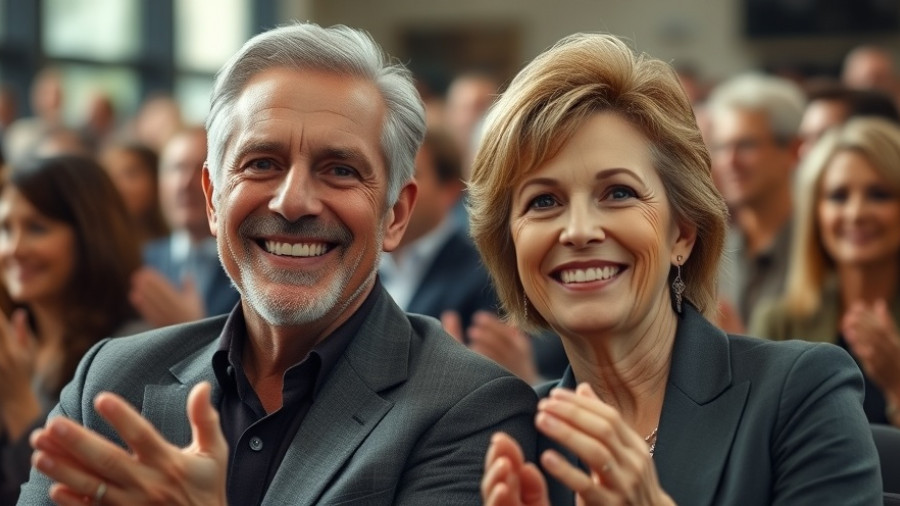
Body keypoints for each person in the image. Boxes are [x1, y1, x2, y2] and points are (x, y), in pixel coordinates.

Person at [19, 22, 536, 506]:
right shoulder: (110, 382)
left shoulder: (471, 409)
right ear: (213, 199)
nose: (293, 202)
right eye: (262, 163)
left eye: (339, 169)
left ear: (395, 214)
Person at [469, 33, 881, 505]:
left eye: (618, 192)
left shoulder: (802, 391)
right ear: (510, 248)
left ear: (682, 234)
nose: (578, 230)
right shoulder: (509, 436)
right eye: (543, 202)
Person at [0, 155, 142, 504]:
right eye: (5, 229)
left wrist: (18, 403)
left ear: (89, 235)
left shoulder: (128, 349)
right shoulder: (15, 334)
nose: (14, 249)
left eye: (36, 228)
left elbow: (73, 495)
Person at [750, 117, 900, 427]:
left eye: (879, 195)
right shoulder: (780, 324)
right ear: (815, 212)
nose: (856, 213)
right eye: (838, 196)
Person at [707, 73, 806, 330]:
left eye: (746, 145)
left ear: (794, 150)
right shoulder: (712, 251)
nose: (729, 161)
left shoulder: (822, 245)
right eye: (720, 147)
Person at [130, 126, 238, 327]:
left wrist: (194, 330)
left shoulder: (248, 267)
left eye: (201, 168)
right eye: (176, 168)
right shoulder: (137, 263)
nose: (185, 182)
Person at [98, 140, 169, 247]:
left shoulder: (180, 239)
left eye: (131, 174)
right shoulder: (99, 246)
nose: (119, 186)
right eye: (109, 177)